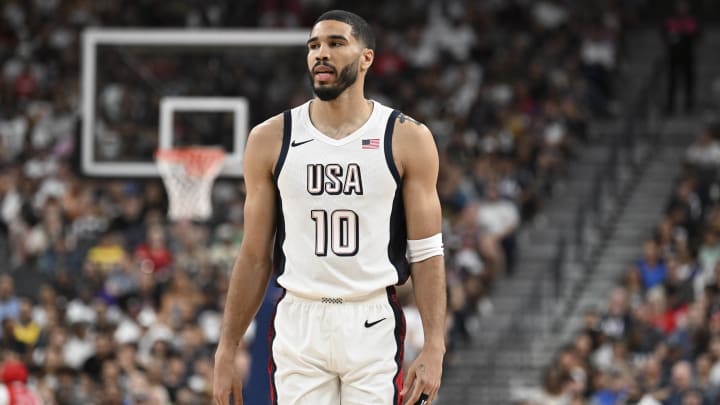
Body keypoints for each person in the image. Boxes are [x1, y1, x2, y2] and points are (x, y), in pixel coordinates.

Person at [212, 9, 446, 405]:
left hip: (370, 317)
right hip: (299, 318)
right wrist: (226, 347)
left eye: (336, 44)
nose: (321, 53)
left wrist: (435, 345)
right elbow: (254, 256)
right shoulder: (271, 137)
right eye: (314, 46)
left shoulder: (406, 138)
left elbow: (426, 252)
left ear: (366, 57)